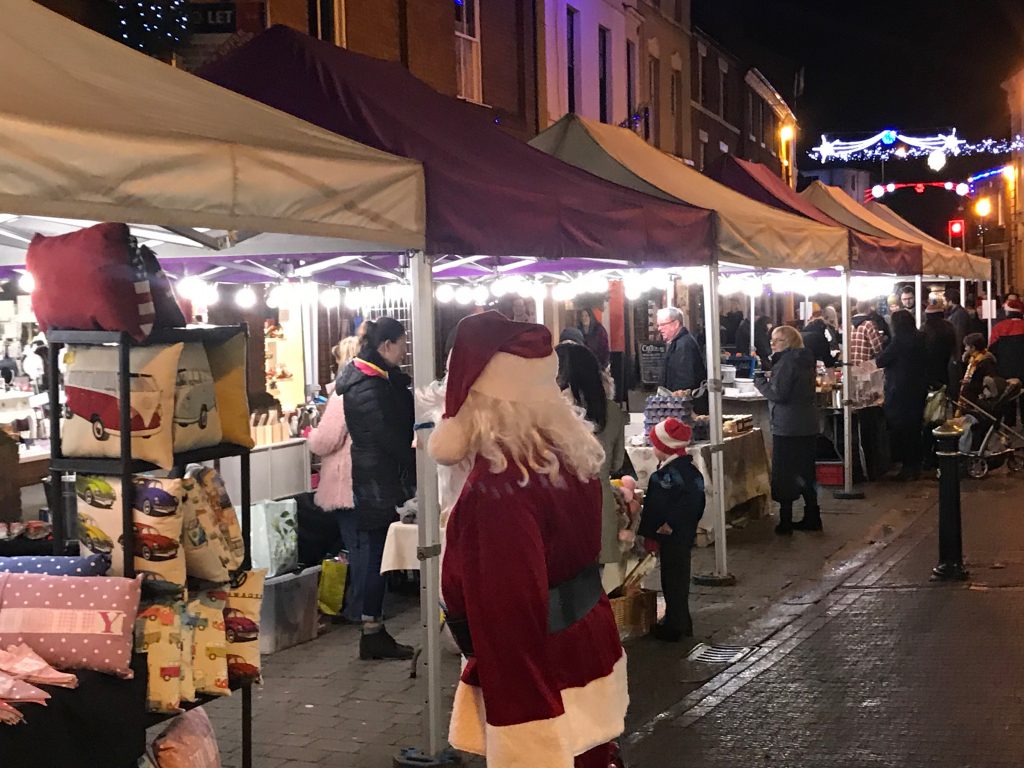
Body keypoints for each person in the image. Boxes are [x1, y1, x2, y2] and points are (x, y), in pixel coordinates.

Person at [431, 311, 627, 768]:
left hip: (541, 669)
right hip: (584, 644)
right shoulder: (564, 452)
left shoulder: (498, 487)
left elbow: (509, 614)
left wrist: (522, 729)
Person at [336, 318, 416, 661]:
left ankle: (373, 629)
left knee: (377, 553)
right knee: (376, 555)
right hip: (377, 480)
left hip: (374, 478)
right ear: (386, 346)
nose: (404, 351)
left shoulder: (373, 380)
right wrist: (415, 459)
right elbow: (389, 436)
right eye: (402, 344)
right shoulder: (370, 385)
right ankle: (371, 630)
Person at [556, 342, 626, 584]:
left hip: (563, 505)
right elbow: (617, 463)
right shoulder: (613, 411)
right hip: (600, 504)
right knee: (594, 586)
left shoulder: (555, 411)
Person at [307, 336, 362, 623]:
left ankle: (356, 608)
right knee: (365, 546)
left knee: (355, 546)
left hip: (344, 482)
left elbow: (326, 440)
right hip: (365, 480)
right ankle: (364, 607)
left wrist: (311, 435)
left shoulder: (342, 395)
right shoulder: (375, 387)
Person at [637, 417, 704, 641]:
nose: (653, 449)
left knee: (672, 580)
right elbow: (696, 503)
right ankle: (682, 621)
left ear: (664, 448)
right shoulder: (692, 471)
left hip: (670, 535)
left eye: (655, 445)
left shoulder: (664, 477)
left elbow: (655, 508)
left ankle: (675, 626)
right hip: (684, 534)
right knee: (680, 578)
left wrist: (655, 530)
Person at [754, 325, 821, 534]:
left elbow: (779, 394)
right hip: (807, 424)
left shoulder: (787, 362)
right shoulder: (804, 359)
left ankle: (785, 521)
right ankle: (813, 515)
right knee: (806, 471)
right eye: (772, 340)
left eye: (777, 340)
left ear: (789, 342)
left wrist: (760, 382)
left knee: (784, 473)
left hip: (788, 426)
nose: (773, 344)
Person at [876, 310, 928, 481]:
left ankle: (907, 467)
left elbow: (881, 361)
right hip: (918, 388)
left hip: (899, 391)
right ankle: (916, 464)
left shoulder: (898, 341)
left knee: (902, 429)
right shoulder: (921, 338)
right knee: (915, 428)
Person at [657, 306, 708, 412]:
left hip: (686, 408)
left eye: (663, 324)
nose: (659, 329)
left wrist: (673, 406)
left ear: (676, 324)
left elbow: (684, 381)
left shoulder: (684, 345)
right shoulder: (679, 342)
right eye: (658, 325)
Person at [990, 298, 1024, 424]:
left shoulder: (999, 327)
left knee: (1008, 397)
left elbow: (992, 350)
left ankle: (1009, 423)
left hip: (1004, 369)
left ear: (1007, 312)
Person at [922, 297, 957, 392]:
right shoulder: (949, 326)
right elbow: (955, 344)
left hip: (930, 365)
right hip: (947, 362)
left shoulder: (925, 327)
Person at [849, 300, 884, 364]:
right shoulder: (869, 324)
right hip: (866, 365)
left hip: (850, 365)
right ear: (868, 308)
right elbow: (878, 348)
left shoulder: (848, 324)